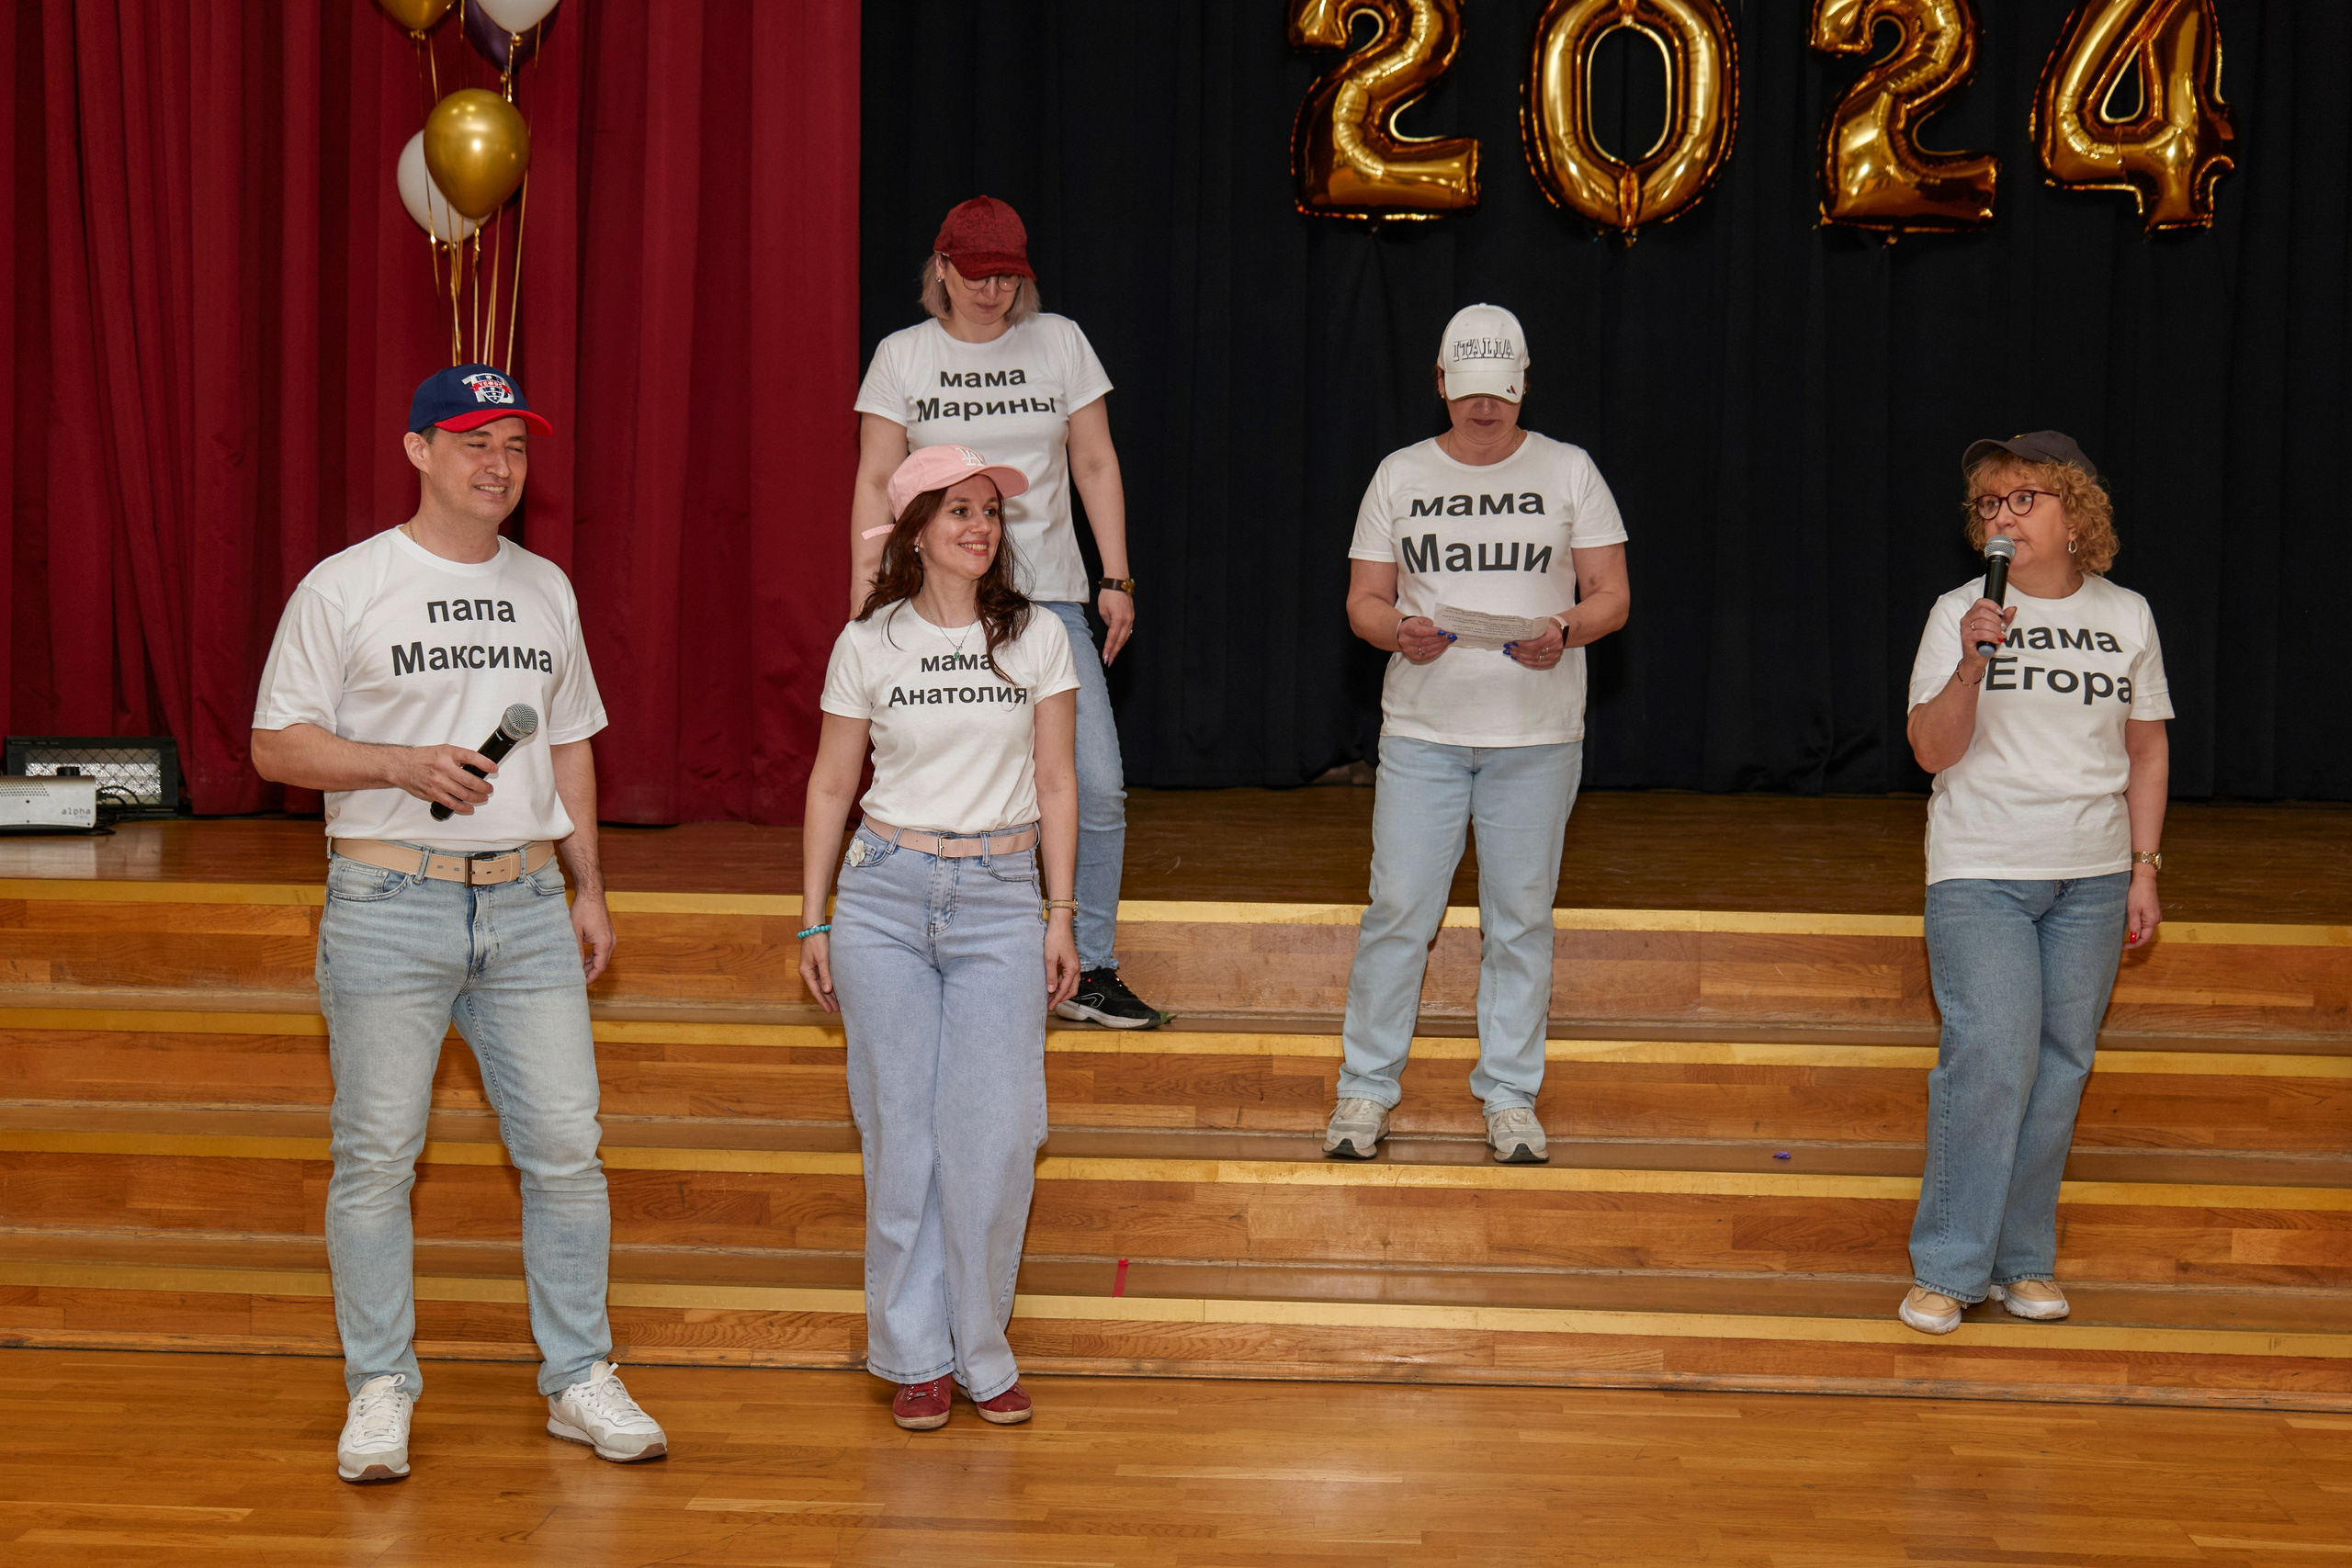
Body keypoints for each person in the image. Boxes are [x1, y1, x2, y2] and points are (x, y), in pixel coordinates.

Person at [250, 364, 666, 1483]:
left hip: (529, 906)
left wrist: (588, 885)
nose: (499, 465)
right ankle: (379, 1387)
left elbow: (569, 741)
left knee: (567, 1158)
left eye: (516, 448)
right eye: (475, 442)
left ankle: (579, 1378)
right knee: (377, 1159)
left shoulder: (548, 588)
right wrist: (395, 761)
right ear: (417, 450)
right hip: (389, 904)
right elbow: (274, 746)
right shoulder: (346, 586)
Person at [800, 444, 1082, 1430]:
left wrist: (1060, 914)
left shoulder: (1038, 637)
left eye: (990, 512)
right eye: (956, 509)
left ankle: (982, 1348)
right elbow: (833, 785)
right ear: (914, 528)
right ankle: (915, 1354)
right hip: (883, 895)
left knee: (997, 1136)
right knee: (902, 1135)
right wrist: (815, 915)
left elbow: (1056, 783)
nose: (978, 526)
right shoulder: (867, 643)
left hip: (1003, 896)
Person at [1327, 305, 1631, 1165]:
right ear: (1441, 385)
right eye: (1468, 395)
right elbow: (1364, 601)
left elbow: (1612, 593)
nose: (1484, 411)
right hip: (1425, 728)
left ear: (1522, 384)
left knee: (1521, 919)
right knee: (1398, 910)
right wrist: (1398, 631)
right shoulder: (1399, 474)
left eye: (1499, 395)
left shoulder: (1570, 470)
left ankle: (1509, 1094)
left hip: (1535, 738)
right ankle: (1365, 1088)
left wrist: (1565, 629)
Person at [849, 195, 1159, 1030]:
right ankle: (927, 942)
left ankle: (1087, 962)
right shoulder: (902, 355)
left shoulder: (1059, 341)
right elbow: (878, 481)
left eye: (1007, 275)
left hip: (1048, 598)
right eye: (977, 273)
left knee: (1092, 783)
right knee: (934, 776)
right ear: (941, 268)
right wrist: (864, 600)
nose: (992, 290)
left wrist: (1117, 576)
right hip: (931, 601)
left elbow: (1094, 461)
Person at [1897, 431, 2171, 1335]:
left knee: (2057, 1071)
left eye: (2024, 498)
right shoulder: (1956, 612)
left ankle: (2022, 1261)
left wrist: (2142, 868)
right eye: (1990, 502)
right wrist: (1975, 658)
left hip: (2091, 876)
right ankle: (1946, 1269)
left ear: (2074, 512)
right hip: (1983, 868)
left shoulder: (2125, 614)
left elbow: (2145, 747)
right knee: (1990, 1059)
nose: (2002, 516)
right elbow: (1930, 750)